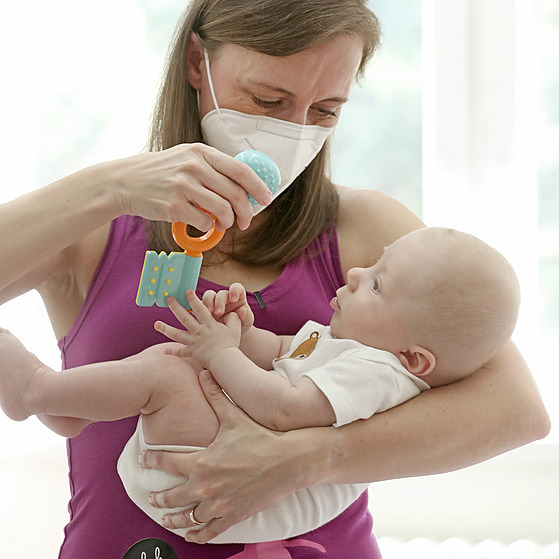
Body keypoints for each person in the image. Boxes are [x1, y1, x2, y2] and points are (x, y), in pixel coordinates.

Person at [0, 0, 549, 556]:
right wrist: (112, 188)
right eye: (268, 100)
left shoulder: (369, 234)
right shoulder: (97, 228)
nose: (294, 131)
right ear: (197, 62)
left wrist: (304, 460)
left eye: (326, 111)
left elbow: (517, 409)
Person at [0, 226, 521, 544]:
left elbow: (284, 409)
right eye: (373, 264)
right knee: (176, 359)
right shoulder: (345, 345)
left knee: (172, 371)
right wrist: (242, 333)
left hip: (227, 495)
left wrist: (221, 352)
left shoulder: (381, 376)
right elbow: (276, 355)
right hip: (211, 475)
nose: (358, 273)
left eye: (379, 285)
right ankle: (64, 405)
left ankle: (39, 393)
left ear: (414, 357)